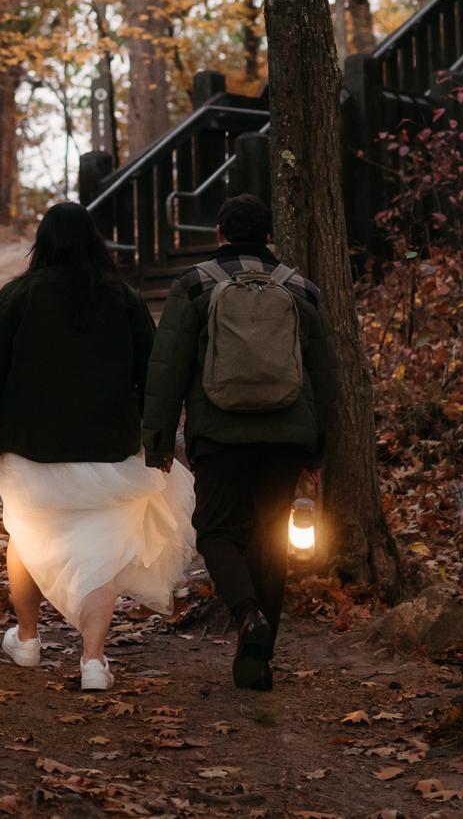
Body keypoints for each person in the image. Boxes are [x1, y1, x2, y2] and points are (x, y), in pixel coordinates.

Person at [0, 202, 196, 691]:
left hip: (30, 454)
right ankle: (92, 661)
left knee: (24, 539)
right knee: (99, 556)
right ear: (94, 244)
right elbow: (153, 377)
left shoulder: (14, 298)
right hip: (110, 456)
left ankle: (26, 640)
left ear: (41, 244)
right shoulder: (123, 300)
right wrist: (159, 442)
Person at [141, 193, 338, 691]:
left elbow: (167, 371)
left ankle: (248, 616)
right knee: (271, 539)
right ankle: (257, 664)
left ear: (219, 234)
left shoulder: (192, 286)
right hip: (287, 434)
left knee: (216, 530)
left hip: (219, 431)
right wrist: (318, 447)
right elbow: (324, 375)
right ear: (268, 235)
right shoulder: (302, 290)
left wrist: (159, 444)